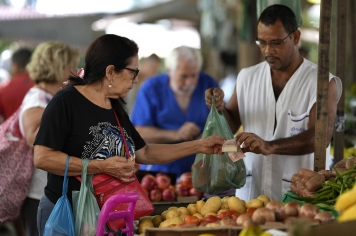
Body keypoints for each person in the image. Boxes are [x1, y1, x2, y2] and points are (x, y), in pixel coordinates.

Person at [33, 34, 225, 235]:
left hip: (105, 217)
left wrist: (199, 145)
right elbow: (42, 157)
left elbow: (145, 152)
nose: (136, 79)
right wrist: (99, 166)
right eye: (133, 72)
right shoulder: (66, 102)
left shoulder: (113, 105)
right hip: (66, 215)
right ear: (110, 72)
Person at [205, 4, 342, 201]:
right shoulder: (247, 77)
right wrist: (218, 109)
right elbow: (232, 122)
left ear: (295, 37)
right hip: (250, 195)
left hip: (298, 194)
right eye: (262, 42)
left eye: (276, 43)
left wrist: (271, 146)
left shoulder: (322, 83)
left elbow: (320, 138)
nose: (268, 50)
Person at [130, 46, 219, 178]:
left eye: (194, 75)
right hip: (160, 171)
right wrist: (176, 134)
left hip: (202, 168)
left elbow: (222, 120)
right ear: (169, 71)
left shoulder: (208, 83)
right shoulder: (151, 88)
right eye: (183, 76)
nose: (190, 82)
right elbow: (137, 132)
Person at [20, 42, 80, 236]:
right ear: (59, 66)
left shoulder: (50, 96)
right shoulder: (38, 98)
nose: (75, 71)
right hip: (40, 194)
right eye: (72, 65)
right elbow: (33, 138)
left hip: (52, 191)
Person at [0, 47, 34, 123]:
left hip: (9, 133)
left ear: (15, 66)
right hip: (36, 133)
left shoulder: (5, 88)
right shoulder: (42, 86)